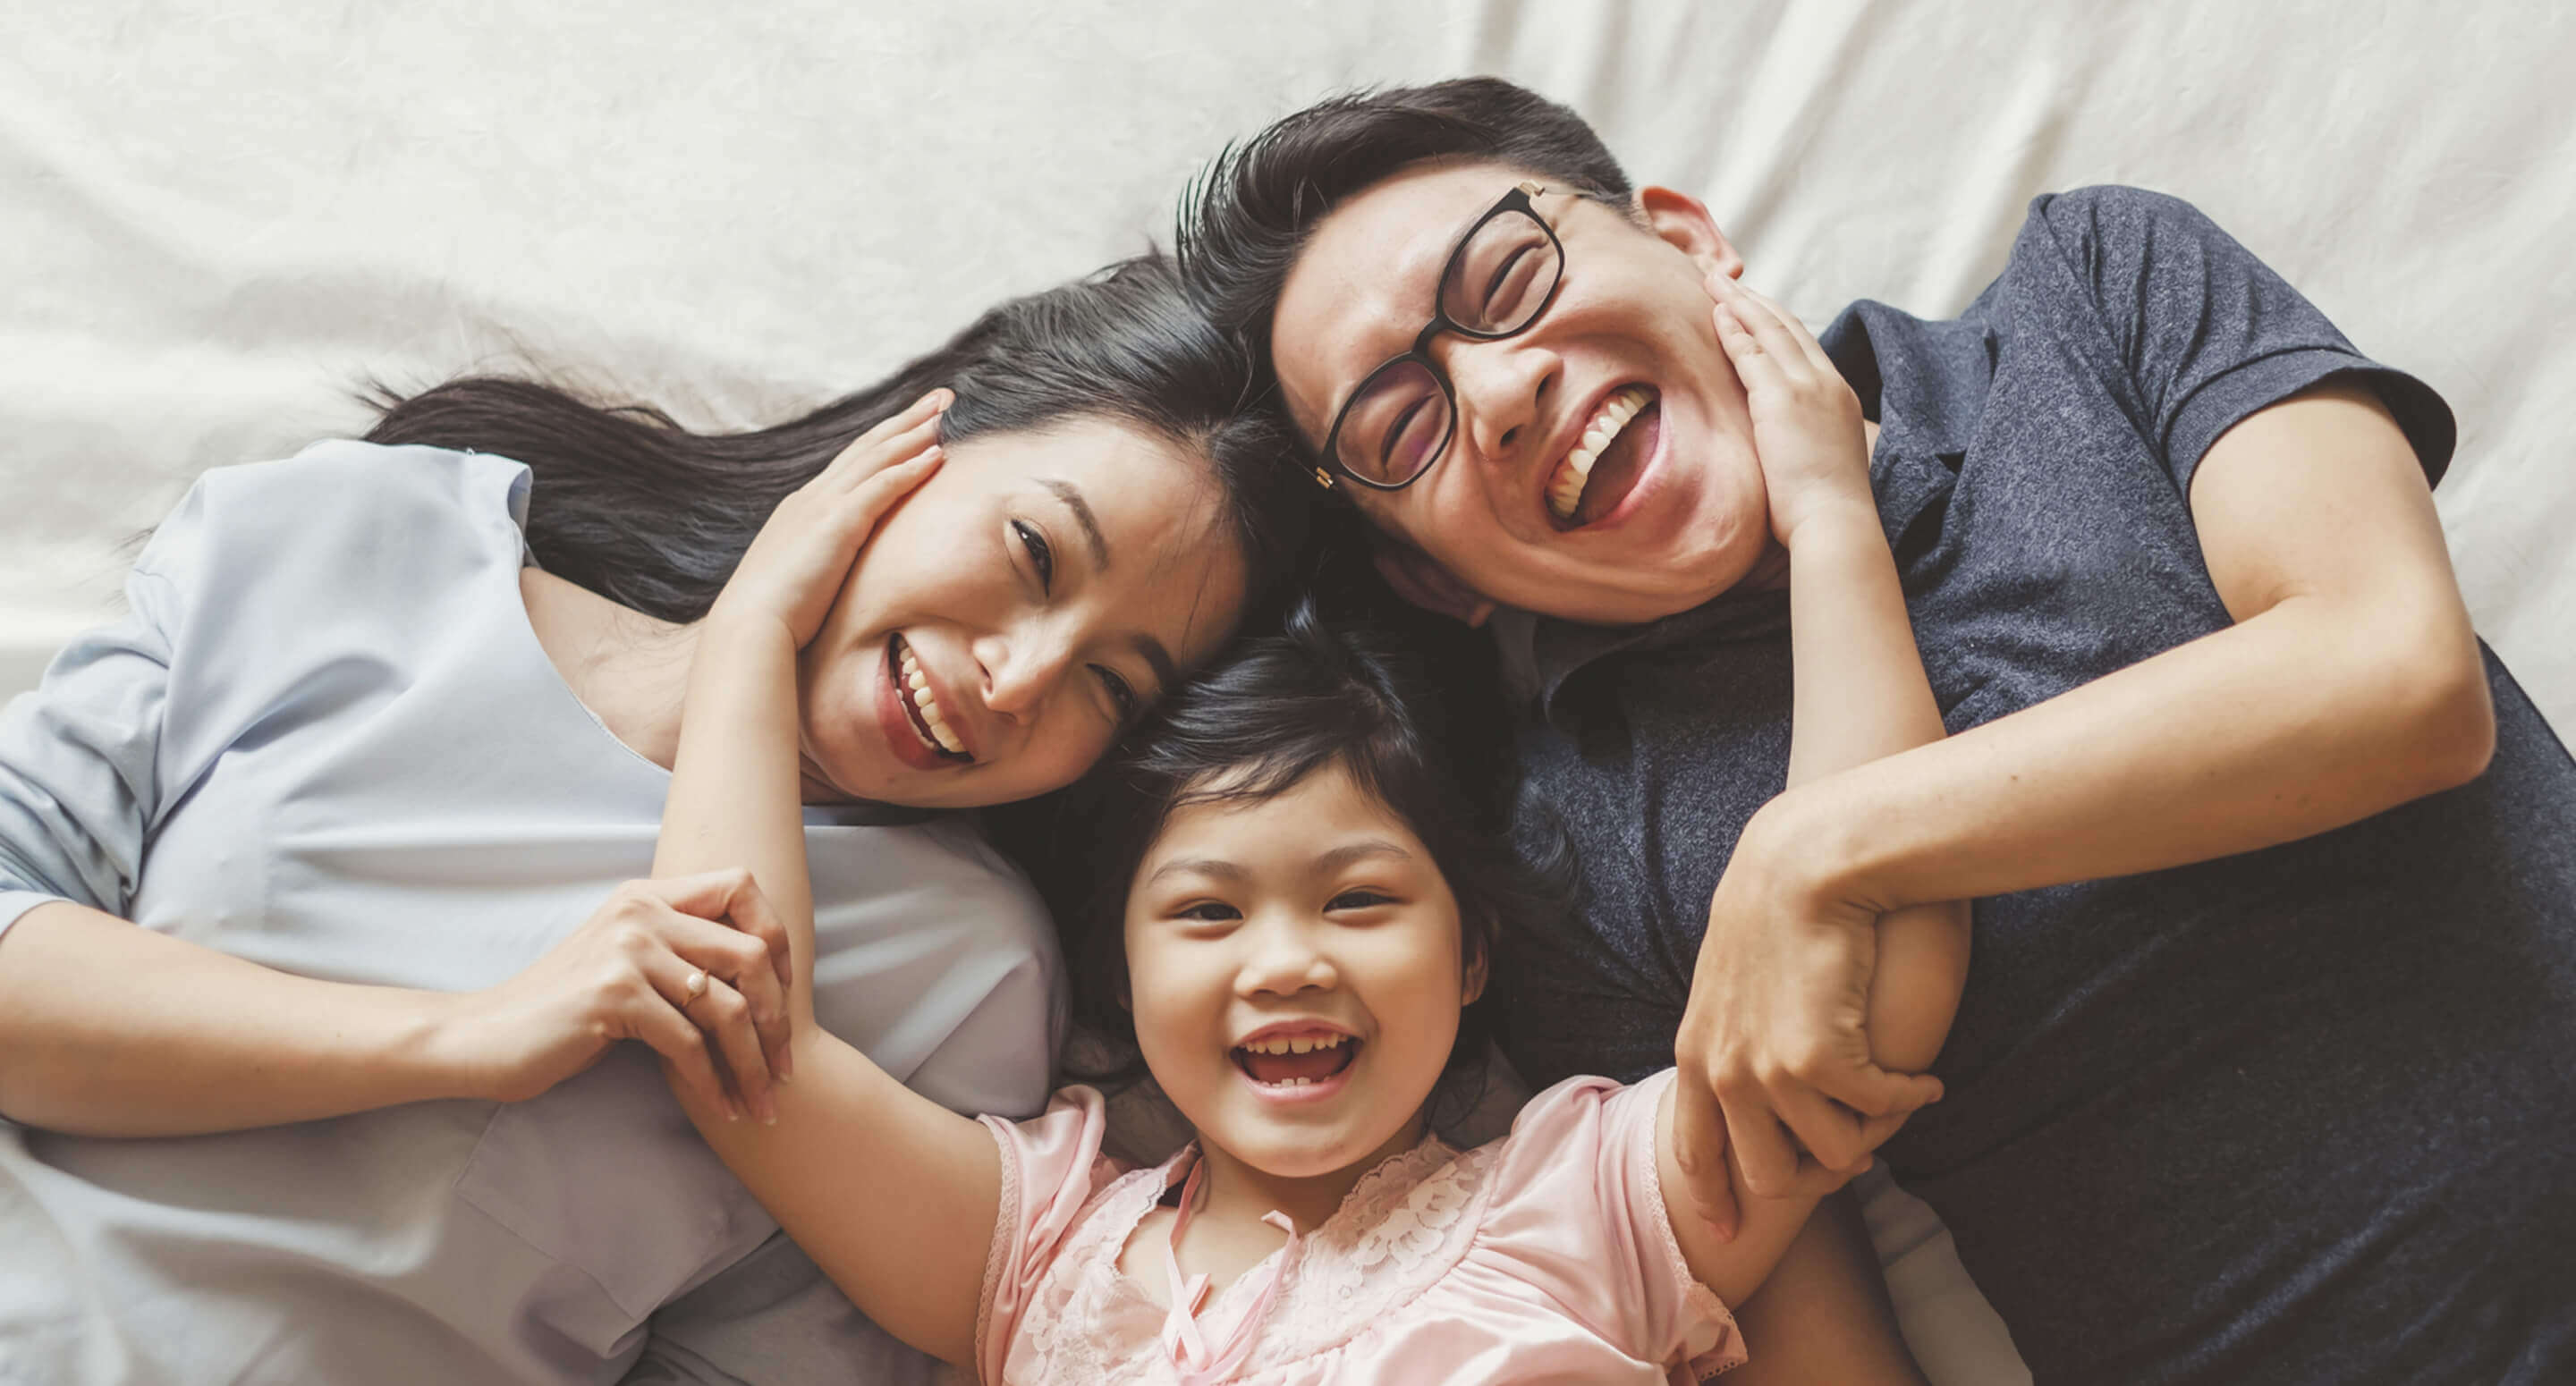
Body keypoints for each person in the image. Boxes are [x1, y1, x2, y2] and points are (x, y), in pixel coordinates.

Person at [1173, 78, 2576, 1383]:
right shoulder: (1575, 856)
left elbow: (2397, 676)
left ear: (1689, 242)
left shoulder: (2094, 291)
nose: (1496, 393)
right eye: (1399, 427)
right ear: (1432, 580)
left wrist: (1819, 849)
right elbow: (1803, 1315)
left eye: (1508, 279)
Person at [0, 256, 1307, 1385]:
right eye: (1032, 553)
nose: (1018, 680)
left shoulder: (961, 972)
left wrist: (751, 638)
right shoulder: (358, 533)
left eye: (1110, 685)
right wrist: (458, 1039)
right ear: (920, 438)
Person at [637, 278, 1953, 1383]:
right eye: (1207, 911)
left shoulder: (1583, 1199)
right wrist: (753, 630)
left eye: (1360, 901)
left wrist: (1833, 525)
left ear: (1472, 952)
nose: (1285, 962)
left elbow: (1865, 982)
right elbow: (739, 1028)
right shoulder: (1037, 1243)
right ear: (1118, 975)